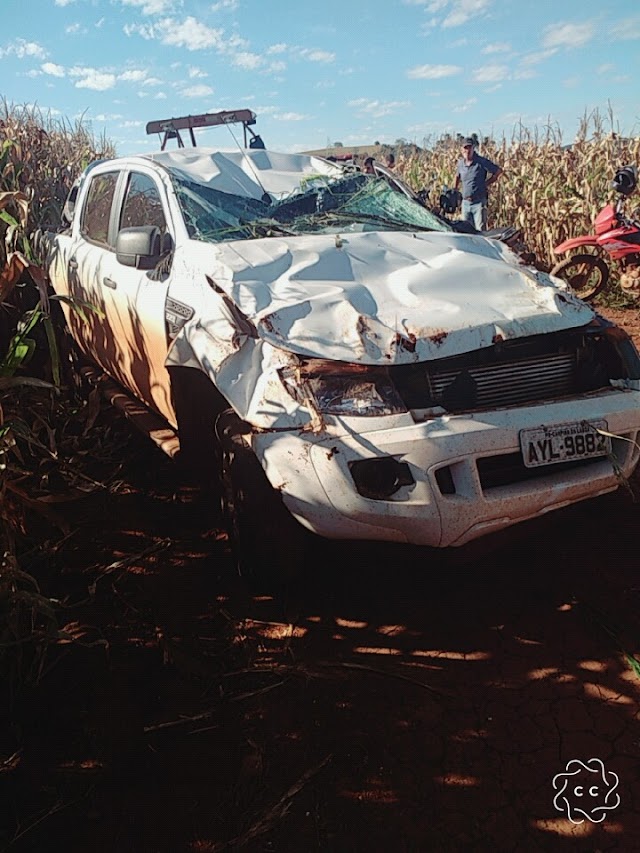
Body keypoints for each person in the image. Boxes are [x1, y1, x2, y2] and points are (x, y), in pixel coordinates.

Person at [454, 137, 503, 231]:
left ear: (473, 148)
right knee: (465, 232)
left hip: (479, 203)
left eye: (469, 147)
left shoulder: (481, 162)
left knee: (480, 231)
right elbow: (457, 176)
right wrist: (455, 189)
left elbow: (498, 171)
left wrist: (487, 183)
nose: (467, 150)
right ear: (461, 150)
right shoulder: (460, 164)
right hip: (465, 203)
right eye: (465, 148)